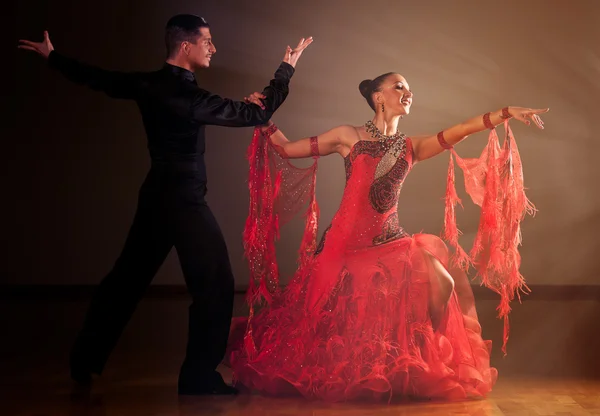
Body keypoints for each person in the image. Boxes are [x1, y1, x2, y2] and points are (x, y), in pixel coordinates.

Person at [18, 14, 312, 395]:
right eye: (207, 41)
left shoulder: (150, 84)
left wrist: (55, 59)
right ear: (186, 46)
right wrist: (285, 71)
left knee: (126, 280)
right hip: (182, 200)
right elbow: (255, 115)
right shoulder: (187, 96)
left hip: (158, 193)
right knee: (216, 283)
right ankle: (197, 377)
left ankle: (84, 360)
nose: (214, 48)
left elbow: (103, 80)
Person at [226, 72, 547, 402]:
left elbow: (461, 130)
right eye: (399, 87)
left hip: (390, 240)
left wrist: (506, 112)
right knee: (329, 322)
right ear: (378, 97)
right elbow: (287, 149)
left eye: (409, 89)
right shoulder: (347, 136)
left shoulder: (412, 146)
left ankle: (423, 358)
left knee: (443, 283)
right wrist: (264, 121)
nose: (408, 93)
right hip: (345, 244)